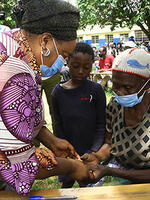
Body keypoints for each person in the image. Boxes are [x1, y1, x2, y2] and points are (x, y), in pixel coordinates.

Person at [0, 0, 94, 195]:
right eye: (65, 54)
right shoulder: (16, 72)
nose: (64, 61)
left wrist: (50, 140)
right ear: (45, 41)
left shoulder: (15, 43)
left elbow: (18, 115)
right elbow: (19, 164)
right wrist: (72, 168)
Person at [81, 48, 150, 185]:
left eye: (127, 87)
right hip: (117, 166)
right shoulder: (115, 106)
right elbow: (109, 143)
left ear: (147, 85)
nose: (120, 92)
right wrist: (97, 156)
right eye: (115, 85)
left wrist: (110, 171)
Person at [51, 42, 106, 188]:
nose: (81, 71)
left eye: (86, 67)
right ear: (67, 62)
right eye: (76, 66)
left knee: (89, 189)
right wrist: (66, 153)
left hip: (90, 154)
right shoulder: (58, 92)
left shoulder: (96, 90)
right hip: (67, 153)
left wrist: (94, 152)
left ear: (92, 66)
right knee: (66, 188)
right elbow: (57, 124)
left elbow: (101, 125)